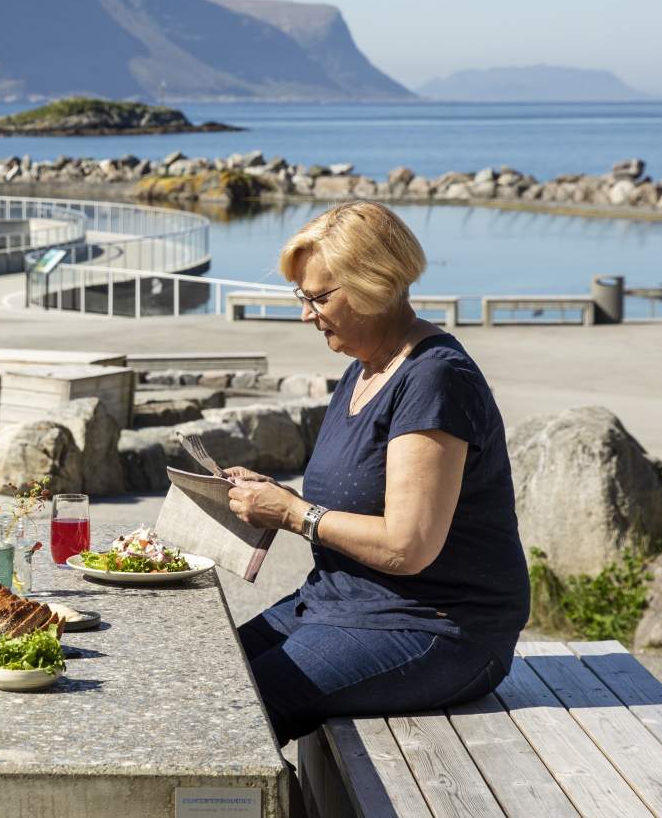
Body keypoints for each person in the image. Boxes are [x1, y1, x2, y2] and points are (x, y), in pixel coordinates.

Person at [223, 202, 527, 744]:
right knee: (204, 677)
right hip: (340, 604)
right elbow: (355, 502)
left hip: (440, 628)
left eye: (319, 298)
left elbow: (408, 546)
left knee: (236, 712)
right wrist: (277, 498)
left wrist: (293, 514)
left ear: (375, 285)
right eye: (302, 297)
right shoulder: (365, 369)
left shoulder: (436, 378)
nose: (307, 315)